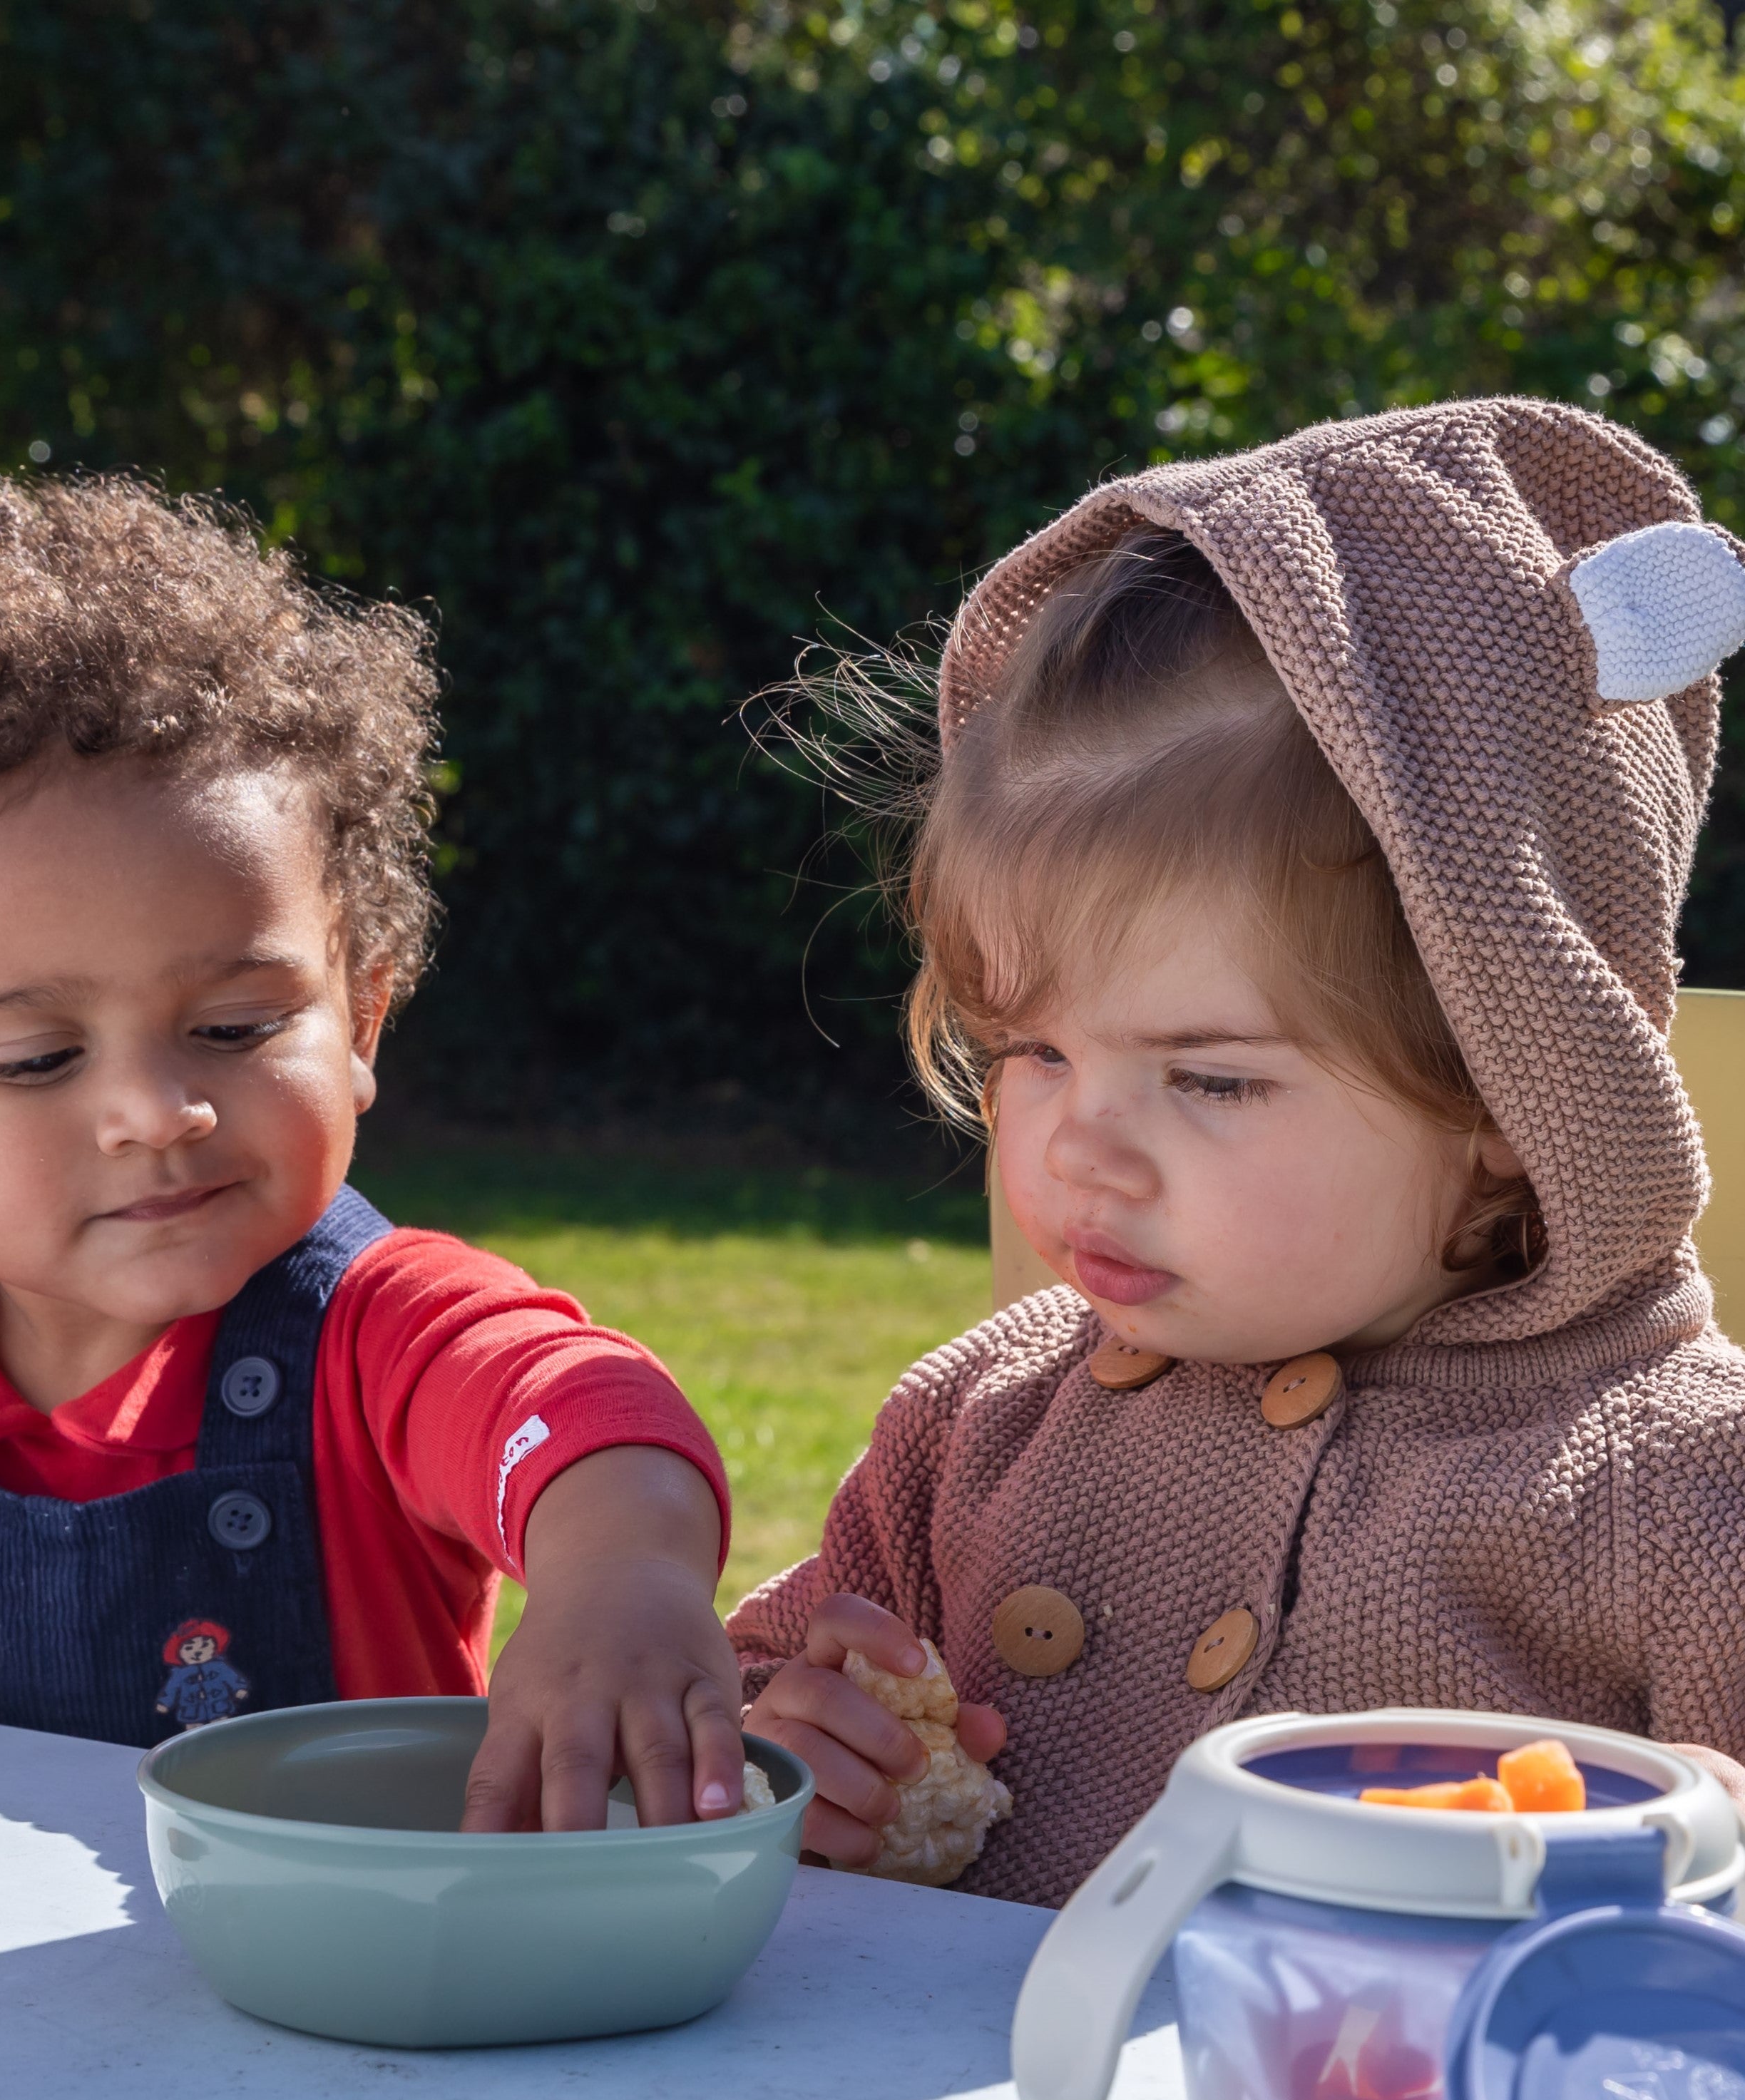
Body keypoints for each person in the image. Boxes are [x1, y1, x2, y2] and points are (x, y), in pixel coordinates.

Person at [730, 398, 1745, 1905]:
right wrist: (795, 1760)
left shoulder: (1679, 1498)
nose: (1085, 1149)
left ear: (1508, 1101)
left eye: (1209, 1078)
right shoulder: (976, 1426)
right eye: (1033, 1050)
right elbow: (732, 1734)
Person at [0, 469, 744, 1829]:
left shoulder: (377, 1332)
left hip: (326, 2018)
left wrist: (620, 1586)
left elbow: (579, 1407)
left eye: (232, 1025)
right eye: (36, 1059)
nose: (154, 1110)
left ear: (360, 1015)